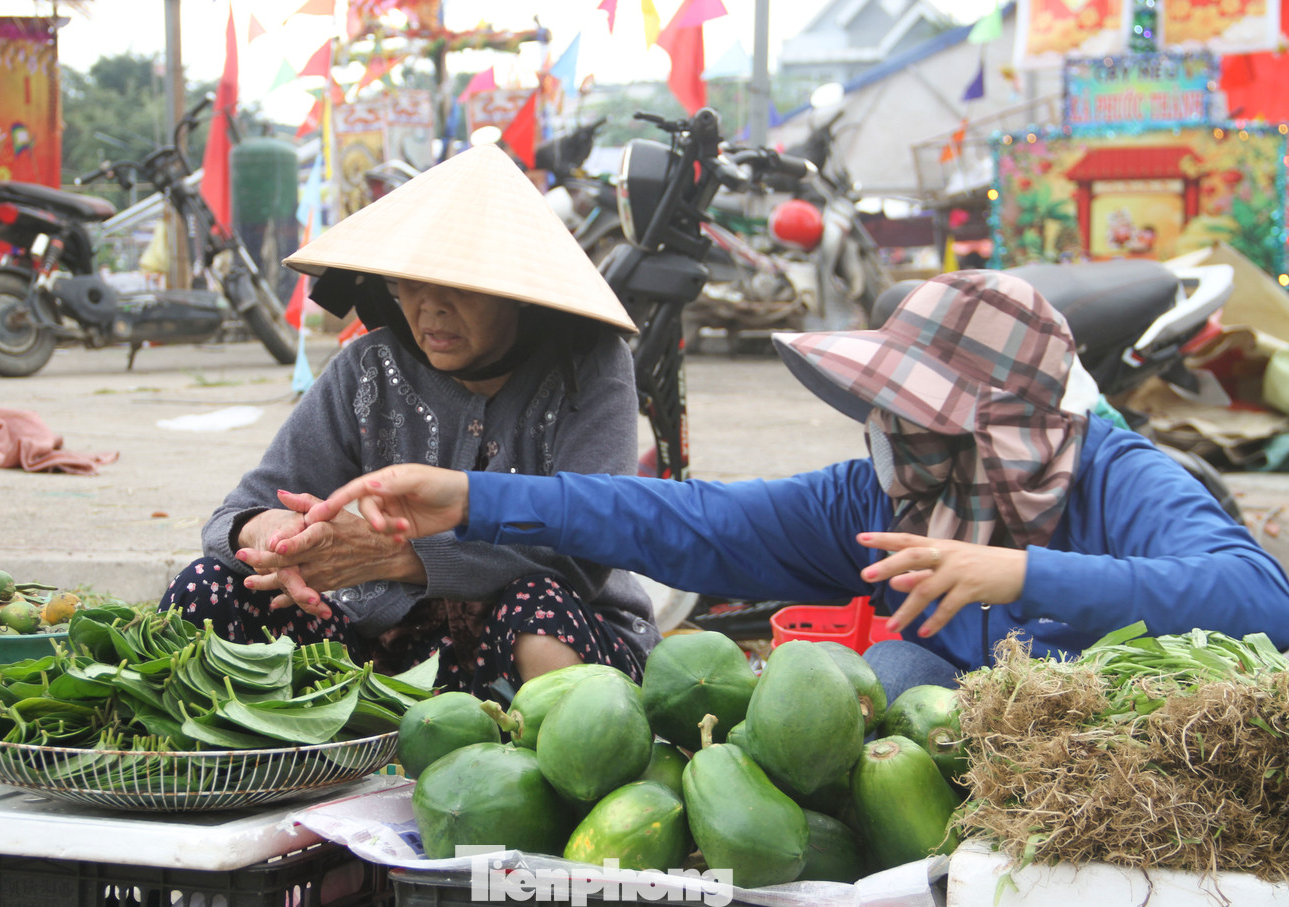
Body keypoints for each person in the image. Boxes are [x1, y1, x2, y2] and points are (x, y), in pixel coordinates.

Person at [299, 269, 1289, 702]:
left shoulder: (1120, 479)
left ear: (1002, 425)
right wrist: (473, 496)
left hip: (1130, 767)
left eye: (920, 417)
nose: (893, 437)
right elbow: (692, 520)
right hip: (964, 772)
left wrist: (1020, 575)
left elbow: (1258, 601)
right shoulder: (877, 500)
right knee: (894, 680)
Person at [158, 144, 658, 702]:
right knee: (208, 590)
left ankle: (528, 772)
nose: (430, 308)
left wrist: (395, 554)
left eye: (461, 287)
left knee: (538, 615)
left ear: (519, 295)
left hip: (526, 639)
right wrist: (272, 538)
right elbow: (235, 512)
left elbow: (582, 551)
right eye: (412, 284)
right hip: (378, 648)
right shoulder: (367, 368)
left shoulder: (587, 368)